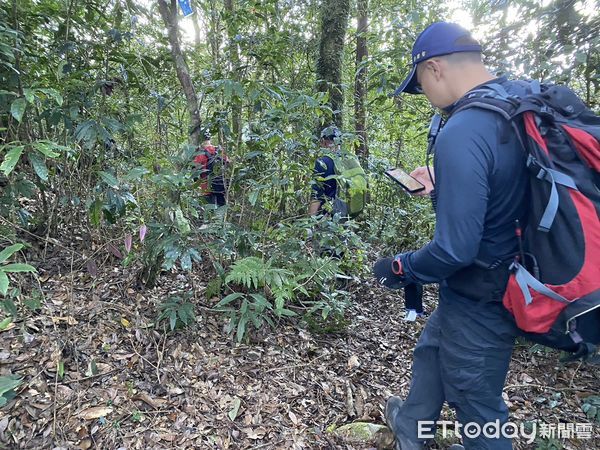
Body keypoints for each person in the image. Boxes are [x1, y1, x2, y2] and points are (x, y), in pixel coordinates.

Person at [374, 22, 530, 450]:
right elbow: (504, 192)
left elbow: (454, 249)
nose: (424, 94)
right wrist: (446, 184)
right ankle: (411, 424)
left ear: (435, 68)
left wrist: (399, 268)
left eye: (420, 82)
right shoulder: (515, 104)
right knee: (432, 347)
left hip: (485, 293)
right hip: (505, 276)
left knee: (477, 404)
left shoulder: (462, 129)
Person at [193, 128, 229, 207]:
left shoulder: (200, 154)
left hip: (207, 189)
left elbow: (195, 172)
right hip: (221, 188)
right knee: (221, 213)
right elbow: (228, 164)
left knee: (210, 213)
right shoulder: (219, 150)